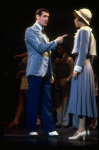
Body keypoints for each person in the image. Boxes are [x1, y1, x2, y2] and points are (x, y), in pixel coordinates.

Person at [25, 8, 67, 137]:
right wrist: (55, 42)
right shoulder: (30, 31)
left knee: (47, 101)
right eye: (44, 16)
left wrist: (51, 73)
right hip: (35, 71)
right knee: (33, 100)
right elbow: (39, 48)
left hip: (46, 73)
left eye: (48, 16)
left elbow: (47, 56)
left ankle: (49, 128)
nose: (46, 18)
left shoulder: (44, 34)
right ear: (37, 17)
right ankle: (32, 128)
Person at [68, 8, 97, 140]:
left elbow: (83, 51)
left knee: (81, 98)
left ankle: (81, 130)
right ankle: (83, 129)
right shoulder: (87, 31)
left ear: (81, 20)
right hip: (87, 66)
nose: (75, 20)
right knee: (82, 98)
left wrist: (77, 68)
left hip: (83, 67)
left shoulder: (84, 31)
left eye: (77, 18)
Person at [53, 44, 74, 128]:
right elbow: (53, 70)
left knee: (65, 102)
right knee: (58, 101)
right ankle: (59, 121)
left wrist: (67, 80)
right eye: (57, 49)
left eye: (60, 49)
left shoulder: (69, 59)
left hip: (65, 82)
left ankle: (65, 122)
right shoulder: (57, 59)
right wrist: (55, 63)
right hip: (57, 82)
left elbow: (72, 71)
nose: (58, 51)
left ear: (64, 49)